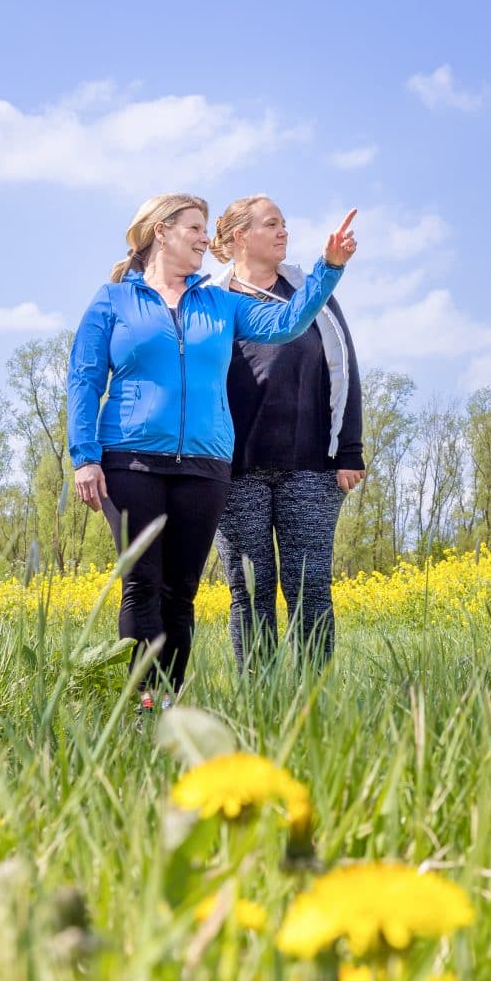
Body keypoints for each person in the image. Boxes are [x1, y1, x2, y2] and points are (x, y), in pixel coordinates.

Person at [67, 193, 359, 695]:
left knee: (182, 592)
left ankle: (171, 699)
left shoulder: (220, 303)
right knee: (142, 584)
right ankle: (145, 702)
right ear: (162, 231)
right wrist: (85, 457)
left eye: (207, 229)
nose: (207, 238)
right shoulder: (112, 300)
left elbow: (286, 323)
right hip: (131, 460)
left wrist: (328, 267)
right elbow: (85, 378)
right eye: (196, 228)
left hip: (205, 466)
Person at [204, 195, 364, 664]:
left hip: (312, 466)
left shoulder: (310, 293)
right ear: (240, 237)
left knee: (310, 587)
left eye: (284, 224)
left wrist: (349, 450)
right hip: (235, 469)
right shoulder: (211, 301)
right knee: (249, 591)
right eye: (271, 224)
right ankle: (260, 699)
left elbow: (345, 369)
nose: (283, 232)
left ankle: (312, 704)